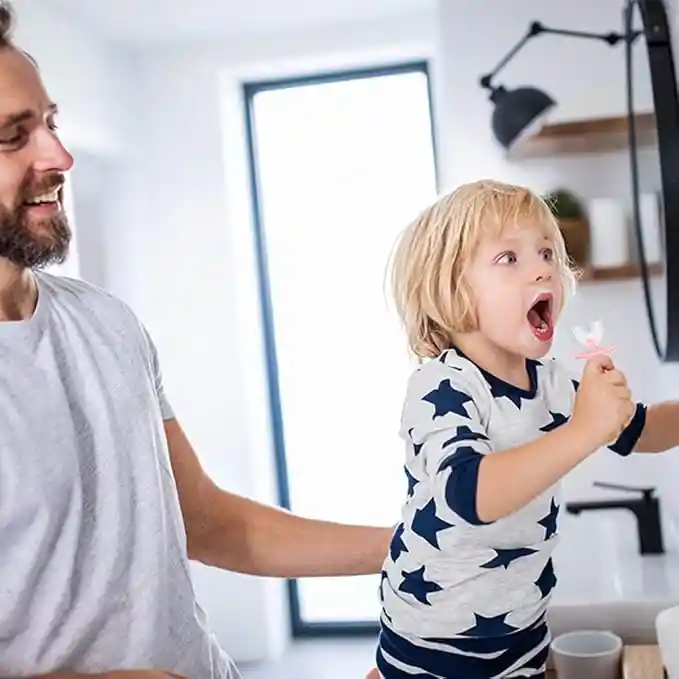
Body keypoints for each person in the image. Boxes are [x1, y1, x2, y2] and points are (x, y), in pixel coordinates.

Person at [0, 3, 392, 678]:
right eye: (14, 135)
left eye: (52, 122)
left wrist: (423, 546)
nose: (60, 156)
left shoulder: (107, 323)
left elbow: (207, 521)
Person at [367, 179, 679, 679]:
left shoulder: (552, 383)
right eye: (508, 258)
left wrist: (609, 419)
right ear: (454, 289)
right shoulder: (443, 384)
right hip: (434, 646)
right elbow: (471, 495)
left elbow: (641, 429)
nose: (542, 268)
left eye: (547, 253)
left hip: (522, 636)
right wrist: (583, 430)